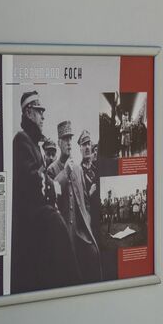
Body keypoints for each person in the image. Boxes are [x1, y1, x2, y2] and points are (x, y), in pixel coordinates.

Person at [11, 91, 70, 293]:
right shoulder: (21, 140)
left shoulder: (33, 144)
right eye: (39, 111)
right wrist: (53, 186)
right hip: (30, 231)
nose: (43, 116)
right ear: (28, 112)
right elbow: (31, 179)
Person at [48, 120, 102, 283]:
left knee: (94, 256)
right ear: (59, 142)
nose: (69, 143)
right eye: (65, 139)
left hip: (81, 232)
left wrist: (88, 219)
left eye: (70, 139)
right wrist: (65, 173)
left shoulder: (78, 169)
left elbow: (85, 200)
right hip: (64, 233)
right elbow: (50, 196)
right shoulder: (52, 169)